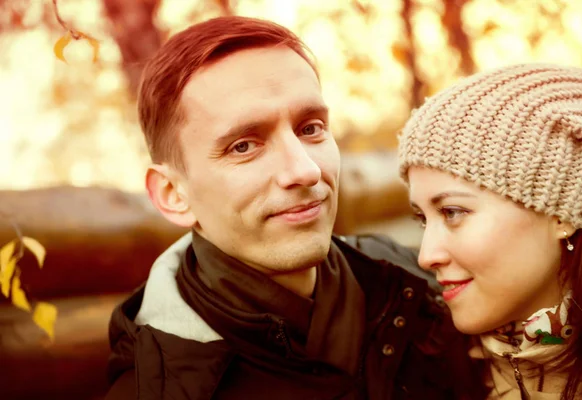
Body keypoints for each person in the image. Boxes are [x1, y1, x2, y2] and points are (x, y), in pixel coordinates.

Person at [104, 15, 485, 400]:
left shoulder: (422, 286)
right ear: (173, 193)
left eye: (310, 128)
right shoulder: (157, 389)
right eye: (244, 146)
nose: (304, 170)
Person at [397, 63, 582, 399]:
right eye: (423, 218)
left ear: (561, 215)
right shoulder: (415, 373)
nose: (426, 255)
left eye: (452, 212)